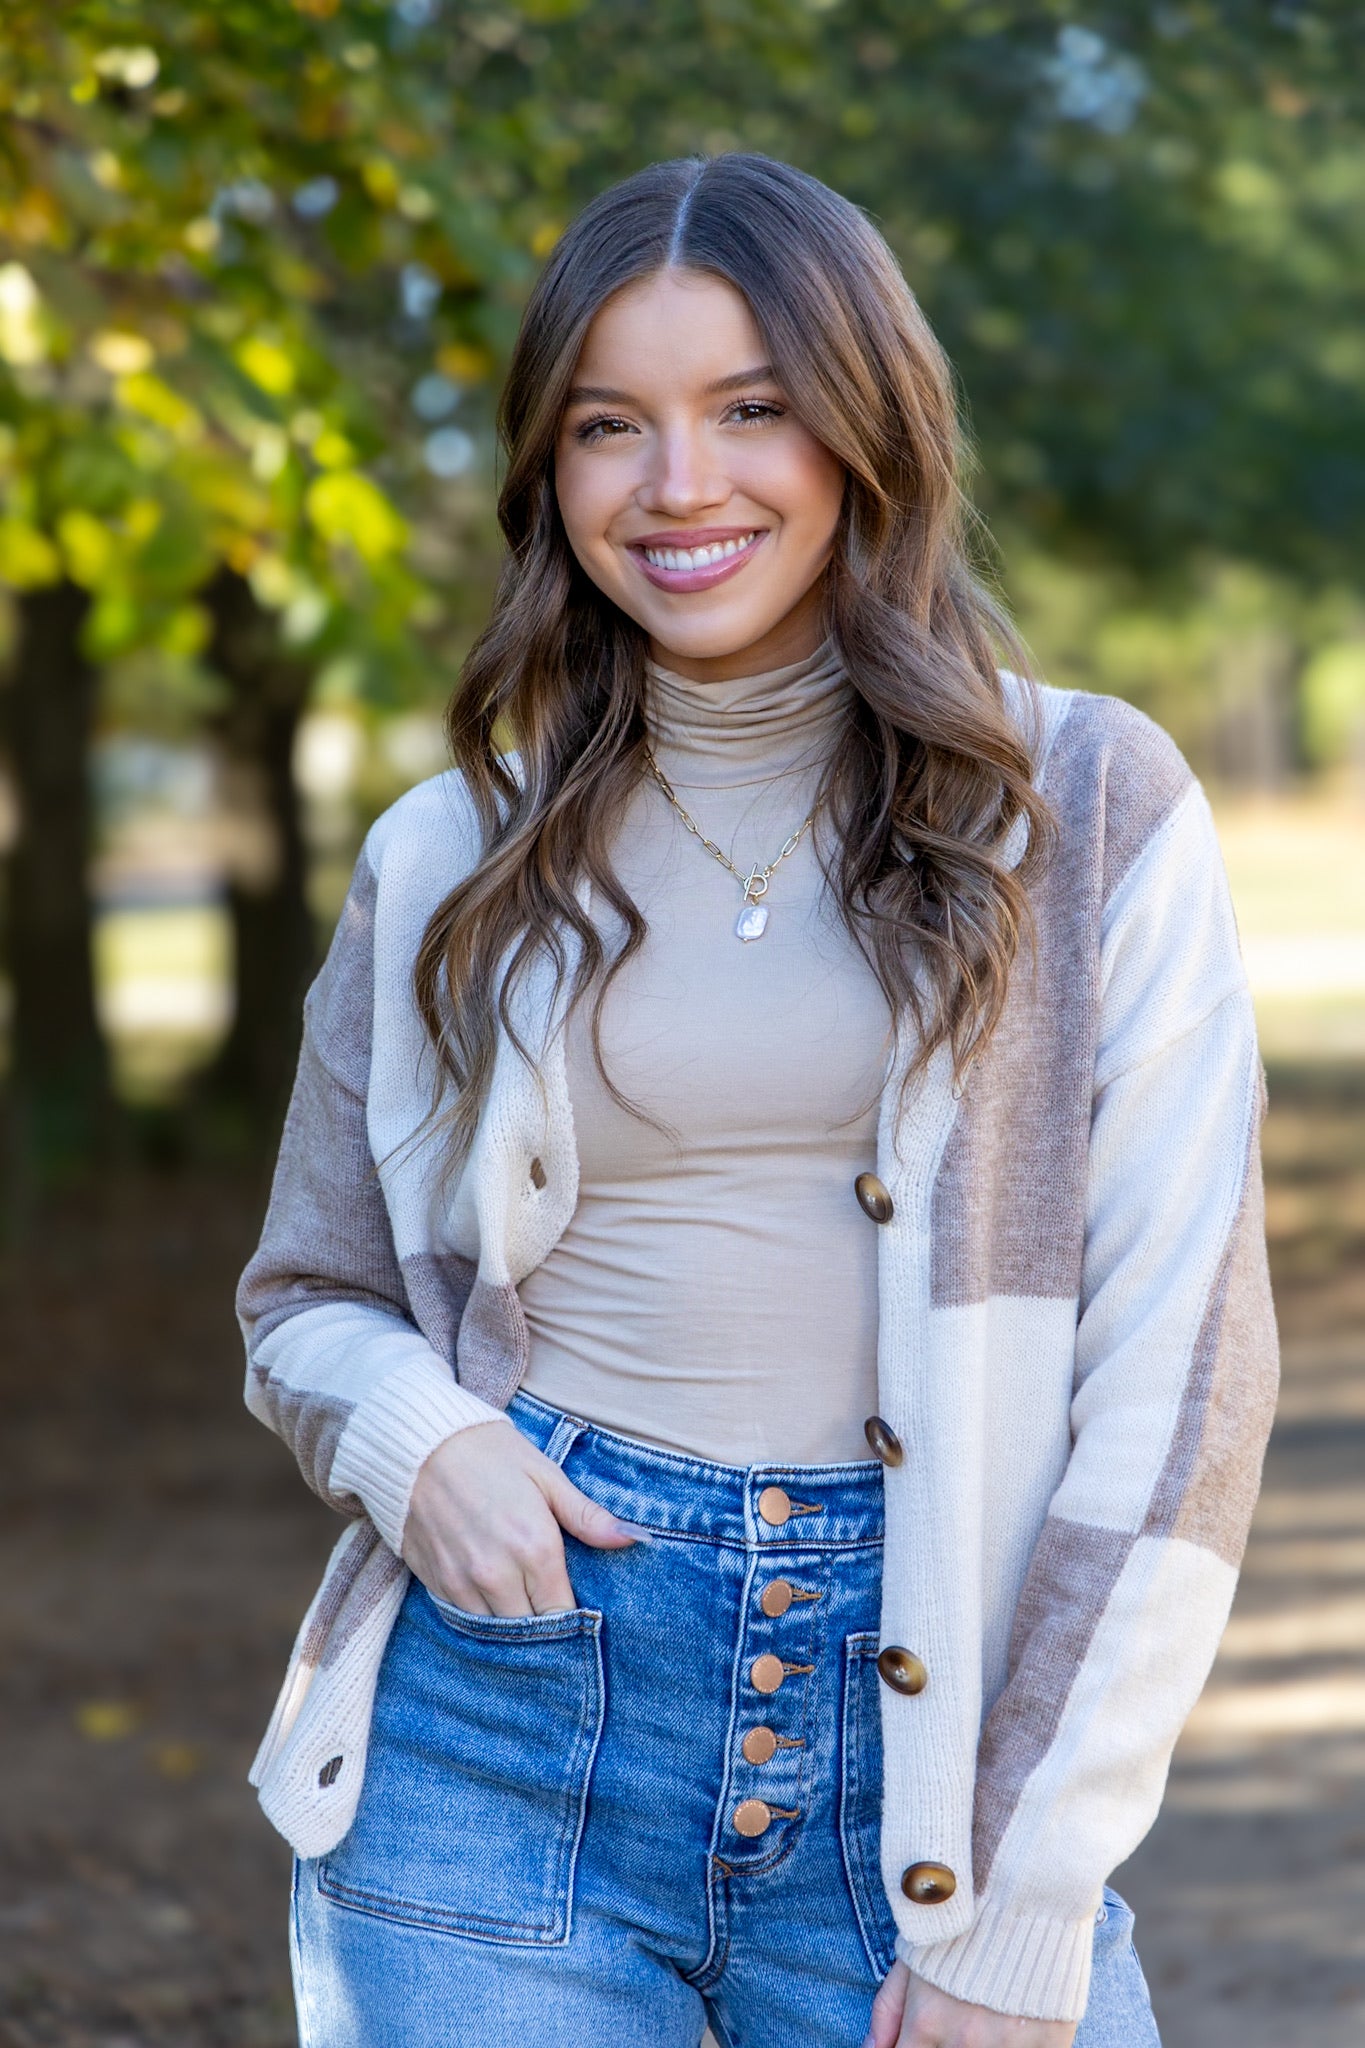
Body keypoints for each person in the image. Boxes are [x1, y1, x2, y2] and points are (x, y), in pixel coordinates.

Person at [237, 153, 1279, 2048]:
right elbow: (305, 1299)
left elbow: (1182, 1389)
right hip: (503, 1736)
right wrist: (421, 1440)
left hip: (926, 1767)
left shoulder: (1083, 809)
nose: (679, 485)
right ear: (548, 475)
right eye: (605, 426)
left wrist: (1021, 1917)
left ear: (866, 430)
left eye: (751, 410)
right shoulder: (452, 852)